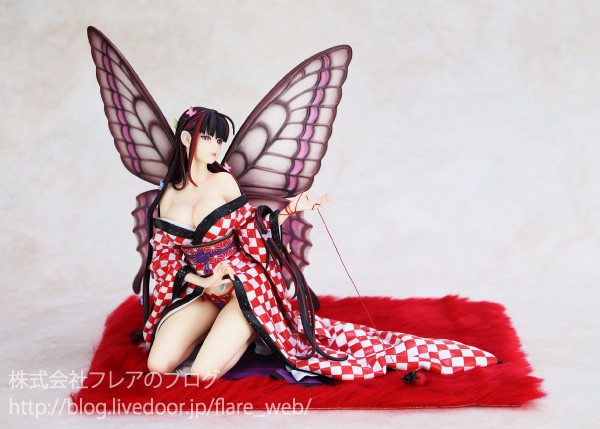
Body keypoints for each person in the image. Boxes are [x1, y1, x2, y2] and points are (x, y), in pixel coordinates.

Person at [141, 106, 501, 382]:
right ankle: (227, 328)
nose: (216, 147)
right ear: (186, 139)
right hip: (203, 289)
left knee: (202, 374)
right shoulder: (167, 197)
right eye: (207, 138)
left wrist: (290, 212)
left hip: (243, 286)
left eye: (220, 140)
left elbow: (252, 231)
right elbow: (165, 260)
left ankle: (254, 329)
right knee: (158, 364)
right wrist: (202, 281)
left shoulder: (223, 183)